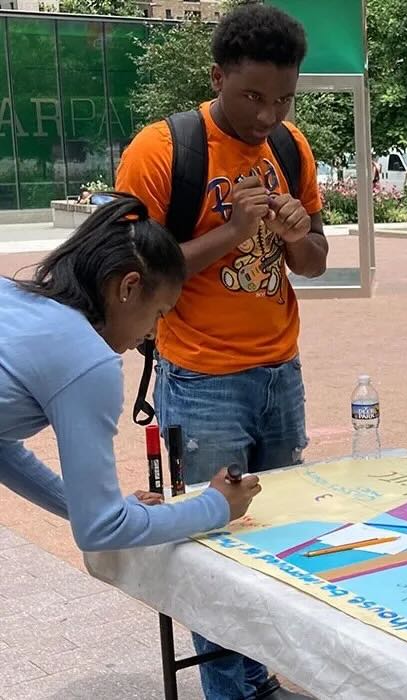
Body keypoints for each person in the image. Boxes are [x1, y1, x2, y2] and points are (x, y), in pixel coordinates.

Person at [115, 5, 322, 699]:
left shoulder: (291, 148)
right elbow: (134, 272)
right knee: (217, 544)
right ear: (217, 77)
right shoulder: (161, 149)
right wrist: (233, 230)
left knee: (277, 535)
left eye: (284, 98)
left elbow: (315, 264)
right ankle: (230, 691)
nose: (269, 115)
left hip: (280, 372)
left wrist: (295, 232)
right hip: (201, 378)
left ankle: (258, 677)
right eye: (253, 97)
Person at [0, 196, 261, 551]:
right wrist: (215, 506)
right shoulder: (87, 361)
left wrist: (91, 507)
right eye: (158, 312)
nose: (153, 333)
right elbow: (102, 530)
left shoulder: (13, 296)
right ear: (128, 287)